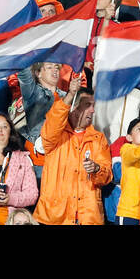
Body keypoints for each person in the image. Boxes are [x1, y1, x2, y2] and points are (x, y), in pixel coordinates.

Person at [34, 85, 113, 225]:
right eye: (87, 105)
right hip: (56, 217)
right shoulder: (55, 135)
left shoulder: (98, 138)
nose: (93, 110)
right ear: (74, 107)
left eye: (93, 105)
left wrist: (97, 169)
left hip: (88, 217)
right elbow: (54, 119)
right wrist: (70, 95)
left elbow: (107, 177)